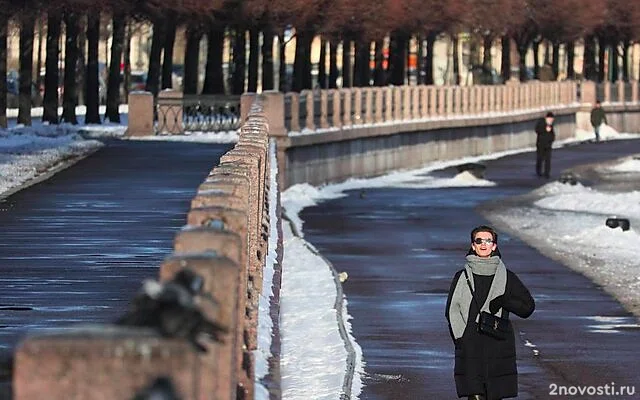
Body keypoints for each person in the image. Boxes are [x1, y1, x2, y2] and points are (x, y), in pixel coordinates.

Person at [445, 225, 535, 400]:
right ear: (473, 245)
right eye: (479, 241)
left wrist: (505, 301)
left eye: (488, 241)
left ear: (494, 246)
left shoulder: (507, 277)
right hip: (470, 345)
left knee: (494, 396)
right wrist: (461, 337)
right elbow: (451, 309)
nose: (483, 244)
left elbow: (528, 308)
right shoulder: (462, 276)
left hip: (497, 345)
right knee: (475, 395)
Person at [534, 112, 555, 178]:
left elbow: (552, 134)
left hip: (548, 145)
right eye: (550, 119)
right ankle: (538, 171)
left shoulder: (551, 125)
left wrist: (552, 139)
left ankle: (547, 173)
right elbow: (537, 130)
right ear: (547, 118)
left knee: (548, 159)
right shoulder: (541, 123)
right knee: (540, 158)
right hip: (541, 144)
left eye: (552, 119)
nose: (551, 120)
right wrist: (545, 129)